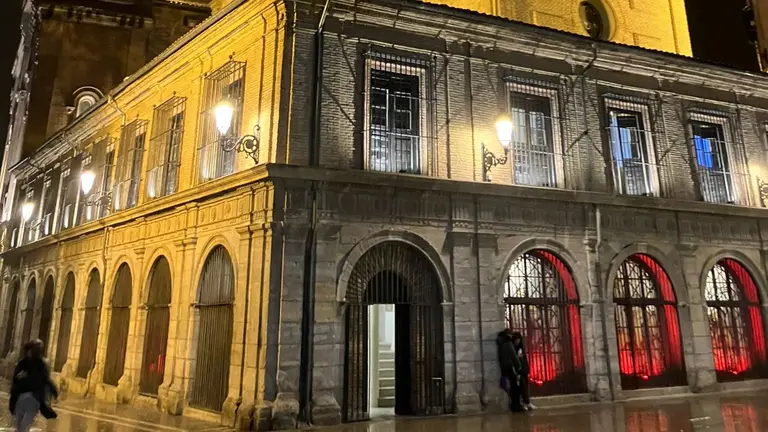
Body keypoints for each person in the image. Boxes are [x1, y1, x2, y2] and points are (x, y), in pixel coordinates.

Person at [9, 339, 58, 432]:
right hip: (27, 398)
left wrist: (53, 391)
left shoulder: (38, 364)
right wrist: (54, 391)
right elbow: (46, 380)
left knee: (22, 426)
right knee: (21, 426)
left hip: (31, 398)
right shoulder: (25, 364)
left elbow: (45, 380)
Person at [496, 329, 535, 412]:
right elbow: (514, 357)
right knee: (515, 387)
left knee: (513, 387)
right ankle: (516, 406)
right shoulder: (508, 344)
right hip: (511, 368)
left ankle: (517, 405)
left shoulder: (501, 344)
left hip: (505, 369)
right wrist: (519, 368)